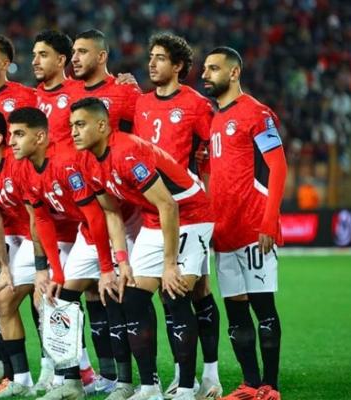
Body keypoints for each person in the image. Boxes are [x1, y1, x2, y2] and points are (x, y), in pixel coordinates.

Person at [72, 98, 215, 400]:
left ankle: (186, 389)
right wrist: (122, 262)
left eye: (81, 124)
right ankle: (150, 388)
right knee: (132, 300)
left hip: (190, 213)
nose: (74, 132)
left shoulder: (127, 151)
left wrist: (169, 264)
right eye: (72, 125)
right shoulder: (86, 161)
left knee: (175, 294)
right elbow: (111, 212)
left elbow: (169, 204)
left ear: (102, 125)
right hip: (153, 218)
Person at [8, 107, 127, 398]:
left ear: (40, 137)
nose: (11, 141)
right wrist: (56, 274)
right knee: (59, 300)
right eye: (11, 134)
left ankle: (126, 383)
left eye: (19, 134)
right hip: (87, 232)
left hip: (119, 228)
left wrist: (106, 269)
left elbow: (98, 215)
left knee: (118, 297)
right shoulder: (23, 169)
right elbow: (42, 220)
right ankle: (72, 382)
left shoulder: (66, 162)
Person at [133, 33, 222, 400]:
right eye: (150, 57)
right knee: (159, 295)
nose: (152, 64)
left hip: (190, 212)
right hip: (154, 215)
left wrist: (215, 199)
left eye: (160, 58)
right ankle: (175, 378)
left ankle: (209, 376)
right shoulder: (140, 103)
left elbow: (216, 152)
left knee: (192, 291)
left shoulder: (197, 105)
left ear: (178, 66)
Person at [201, 47, 287, 400]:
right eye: (204, 68)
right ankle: (250, 384)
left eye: (213, 68)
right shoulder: (214, 119)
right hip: (225, 232)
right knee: (236, 312)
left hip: (254, 229)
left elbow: (278, 166)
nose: (205, 74)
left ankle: (271, 386)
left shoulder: (256, 113)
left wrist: (268, 222)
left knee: (263, 309)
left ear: (234, 73)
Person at [0, 109, 73, 398]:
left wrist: (41, 269)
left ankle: (57, 374)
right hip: (26, 239)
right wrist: (3, 269)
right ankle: (22, 379)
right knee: (3, 301)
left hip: (56, 236)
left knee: (47, 300)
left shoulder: (18, 164)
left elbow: (37, 218)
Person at [30, 29, 108, 393]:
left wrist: (125, 81)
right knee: (51, 295)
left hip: (84, 205)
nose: (35, 61)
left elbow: (108, 109)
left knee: (95, 294)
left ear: (60, 60)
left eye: (43, 54)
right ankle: (74, 372)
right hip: (51, 207)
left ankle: (106, 374)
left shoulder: (80, 93)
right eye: (33, 54)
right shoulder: (29, 98)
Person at [70, 29, 141, 133]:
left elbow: (144, 134)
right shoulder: (69, 91)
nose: (74, 59)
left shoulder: (125, 90)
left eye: (82, 52)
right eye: (73, 52)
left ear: (101, 57)